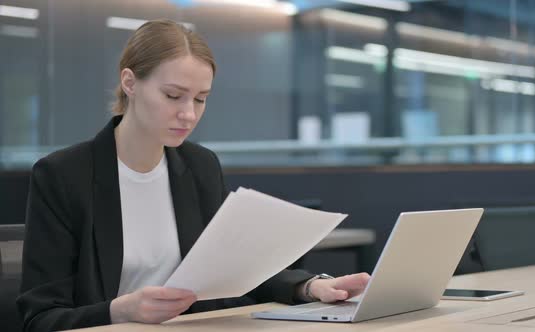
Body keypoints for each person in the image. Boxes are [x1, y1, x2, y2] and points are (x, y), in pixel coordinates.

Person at [17, 19, 370, 331]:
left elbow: (236, 276)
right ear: (130, 82)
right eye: (173, 96)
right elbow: (41, 318)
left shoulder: (199, 166)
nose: (188, 114)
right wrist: (119, 311)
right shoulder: (63, 176)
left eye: (200, 99)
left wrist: (309, 287)